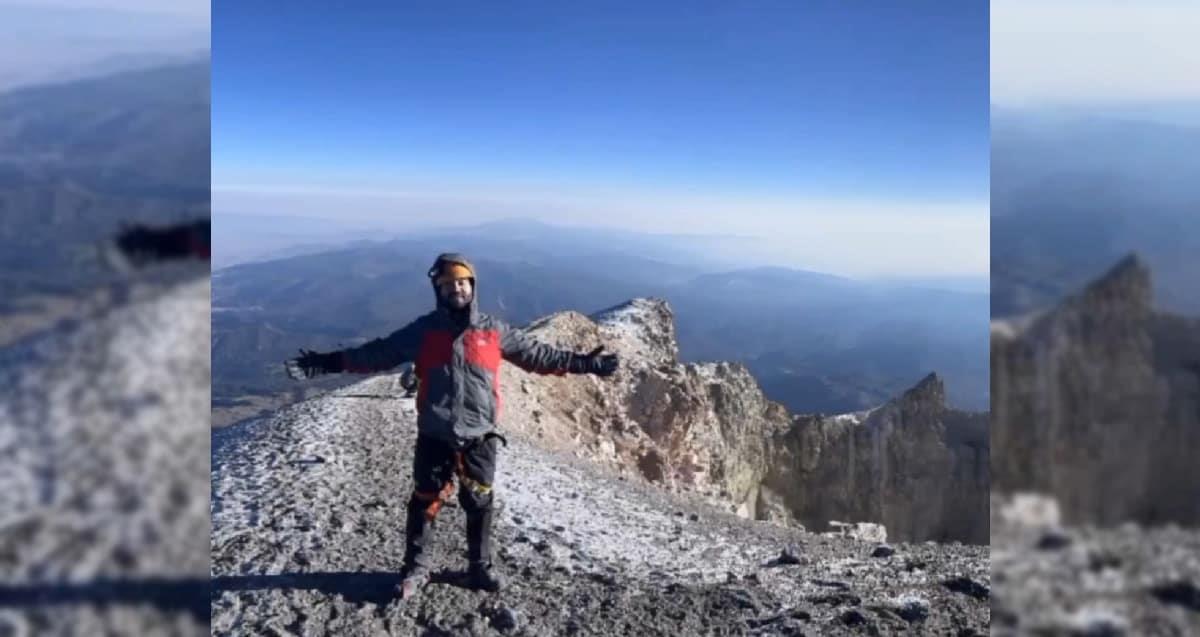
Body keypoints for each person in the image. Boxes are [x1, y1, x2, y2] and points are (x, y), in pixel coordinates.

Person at [284, 253, 619, 599]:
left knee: (479, 502)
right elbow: (377, 353)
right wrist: (325, 363)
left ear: (472, 287)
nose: (457, 288)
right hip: (435, 433)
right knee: (424, 501)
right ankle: (415, 569)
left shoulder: (493, 330)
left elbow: (539, 356)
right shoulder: (423, 331)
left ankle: (479, 568)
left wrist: (585, 364)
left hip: (480, 436)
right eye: (449, 284)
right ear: (438, 290)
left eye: (463, 282)